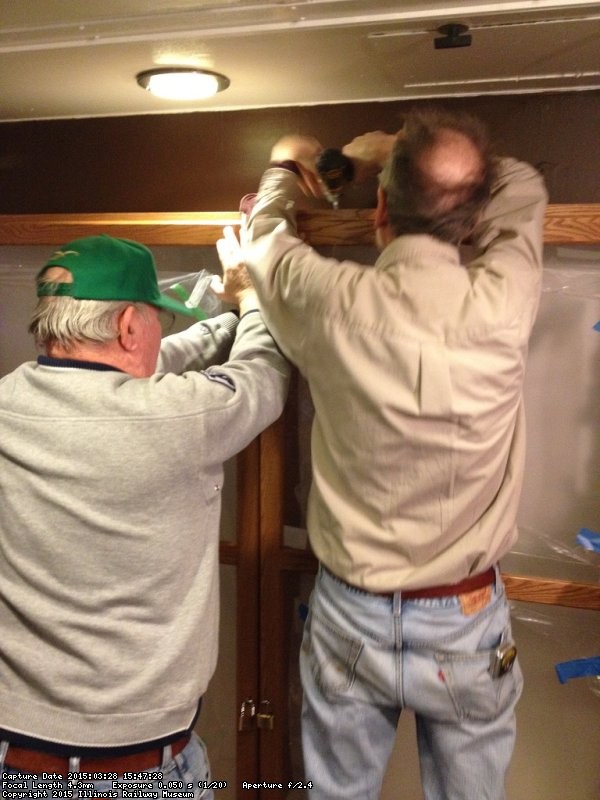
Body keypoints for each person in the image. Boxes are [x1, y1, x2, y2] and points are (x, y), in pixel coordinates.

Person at [218, 107, 548, 799]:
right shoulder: (504, 302)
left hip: (350, 614)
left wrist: (285, 165)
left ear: (377, 216)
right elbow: (522, 185)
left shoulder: (330, 300)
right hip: (464, 618)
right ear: (471, 221)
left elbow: (263, 236)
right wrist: (397, 150)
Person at [0, 234, 289, 798]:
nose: (161, 333)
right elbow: (263, 372)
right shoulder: (181, 417)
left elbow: (131, 374)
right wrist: (252, 298)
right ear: (130, 325)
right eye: (157, 320)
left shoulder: (8, 402)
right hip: (138, 772)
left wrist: (224, 316)